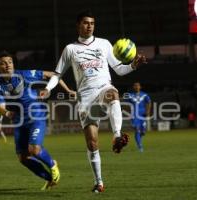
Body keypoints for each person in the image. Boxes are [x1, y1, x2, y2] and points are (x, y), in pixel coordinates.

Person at [41, 10, 146, 193]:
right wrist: (48, 89)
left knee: (113, 94)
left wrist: (133, 66)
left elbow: (119, 70)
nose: (89, 26)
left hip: (103, 88)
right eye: (85, 23)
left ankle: (117, 136)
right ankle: (99, 182)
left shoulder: (104, 44)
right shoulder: (70, 49)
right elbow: (57, 75)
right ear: (78, 25)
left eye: (92, 23)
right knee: (92, 143)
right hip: (85, 99)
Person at [0, 51, 76, 190]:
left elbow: (52, 74)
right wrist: (7, 113)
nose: (7, 65)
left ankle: (52, 165)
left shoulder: (24, 75)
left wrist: (68, 90)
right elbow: (0, 106)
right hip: (19, 122)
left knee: (34, 150)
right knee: (23, 158)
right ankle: (49, 178)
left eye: (10, 62)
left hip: (35, 116)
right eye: (3, 63)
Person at [124, 82, 151, 152]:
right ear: (133, 87)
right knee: (137, 130)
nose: (136, 87)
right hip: (134, 116)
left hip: (142, 115)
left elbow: (149, 102)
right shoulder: (130, 95)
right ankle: (140, 146)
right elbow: (125, 104)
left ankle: (139, 139)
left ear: (140, 87)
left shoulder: (144, 95)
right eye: (135, 86)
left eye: (137, 85)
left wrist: (147, 111)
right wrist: (129, 111)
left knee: (143, 132)